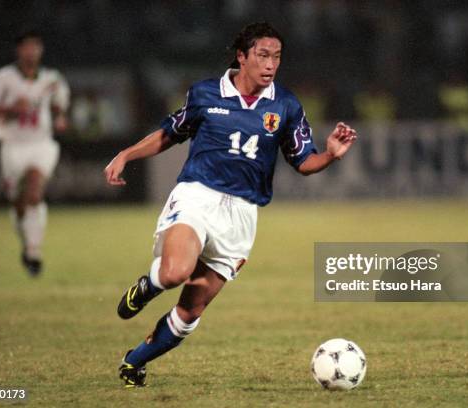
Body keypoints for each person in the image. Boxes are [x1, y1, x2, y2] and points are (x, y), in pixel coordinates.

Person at [104, 22, 357, 388]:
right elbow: (167, 134)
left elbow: (303, 162)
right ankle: (149, 286)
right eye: (263, 55)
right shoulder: (206, 93)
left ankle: (134, 361)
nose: (271, 64)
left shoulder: (285, 105)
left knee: (191, 310)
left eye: (277, 57)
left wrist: (331, 155)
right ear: (242, 56)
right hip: (197, 195)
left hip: (242, 214)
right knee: (175, 271)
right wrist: (125, 154)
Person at [0, 31, 70, 276]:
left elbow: (59, 103)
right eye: (26, 47)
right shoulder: (2, 79)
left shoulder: (52, 78)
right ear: (19, 51)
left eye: (35, 47)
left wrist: (59, 117)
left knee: (35, 191)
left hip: (41, 144)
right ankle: (27, 245)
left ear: (41, 50)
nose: (31, 52)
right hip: (13, 146)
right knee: (19, 202)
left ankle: (34, 253)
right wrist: (11, 108)